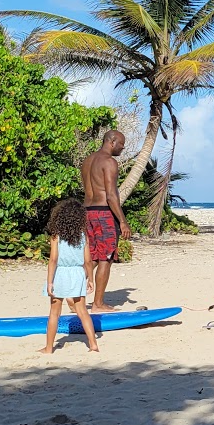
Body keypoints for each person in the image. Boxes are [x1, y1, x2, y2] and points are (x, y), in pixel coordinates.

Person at [81, 130, 131, 312]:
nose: (123, 148)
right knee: (106, 258)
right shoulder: (109, 162)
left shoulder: (87, 161)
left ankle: (73, 298)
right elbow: (110, 195)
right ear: (112, 141)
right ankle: (98, 304)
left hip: (87, 212)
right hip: (103, 213)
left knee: (92, 257)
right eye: (121, 144)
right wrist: (123, 221)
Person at [40, 199, 99, 353]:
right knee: (82, 311)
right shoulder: (82, 236)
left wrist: (49, 282)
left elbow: (53, 260)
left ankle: (48, 348)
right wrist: (91, 279)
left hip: (61, 273)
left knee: (54, 313)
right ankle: (93, 345)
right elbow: (88, 261)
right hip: (78, 273)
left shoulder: (56, 236)